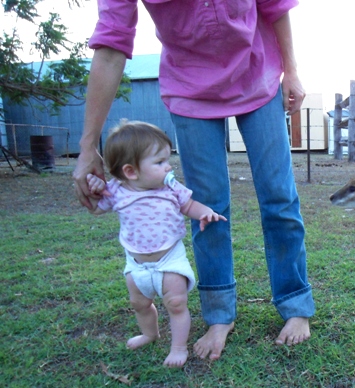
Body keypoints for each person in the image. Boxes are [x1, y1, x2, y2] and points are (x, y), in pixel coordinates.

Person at [73, 0, 315, 361]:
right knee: (207, 206)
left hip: (258, 72)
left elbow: (274, 6)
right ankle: (219, 315)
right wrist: (88, 144)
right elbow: (110, 47)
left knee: (279, 198)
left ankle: (295, 305)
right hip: (190, 88)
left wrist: (291, 70)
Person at [86, 120, 227, 367]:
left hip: (169, 260)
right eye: (160, 162)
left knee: (176, 303)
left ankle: (178, 347)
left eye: (167, 159)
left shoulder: (171, 188)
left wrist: (205, 212)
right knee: (139, 303)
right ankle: (150, 334)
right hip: (137, 265)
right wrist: (94, 189)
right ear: (131, 171)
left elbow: (189, 206)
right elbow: (96, 209)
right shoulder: (117, 190)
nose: (168, 167)